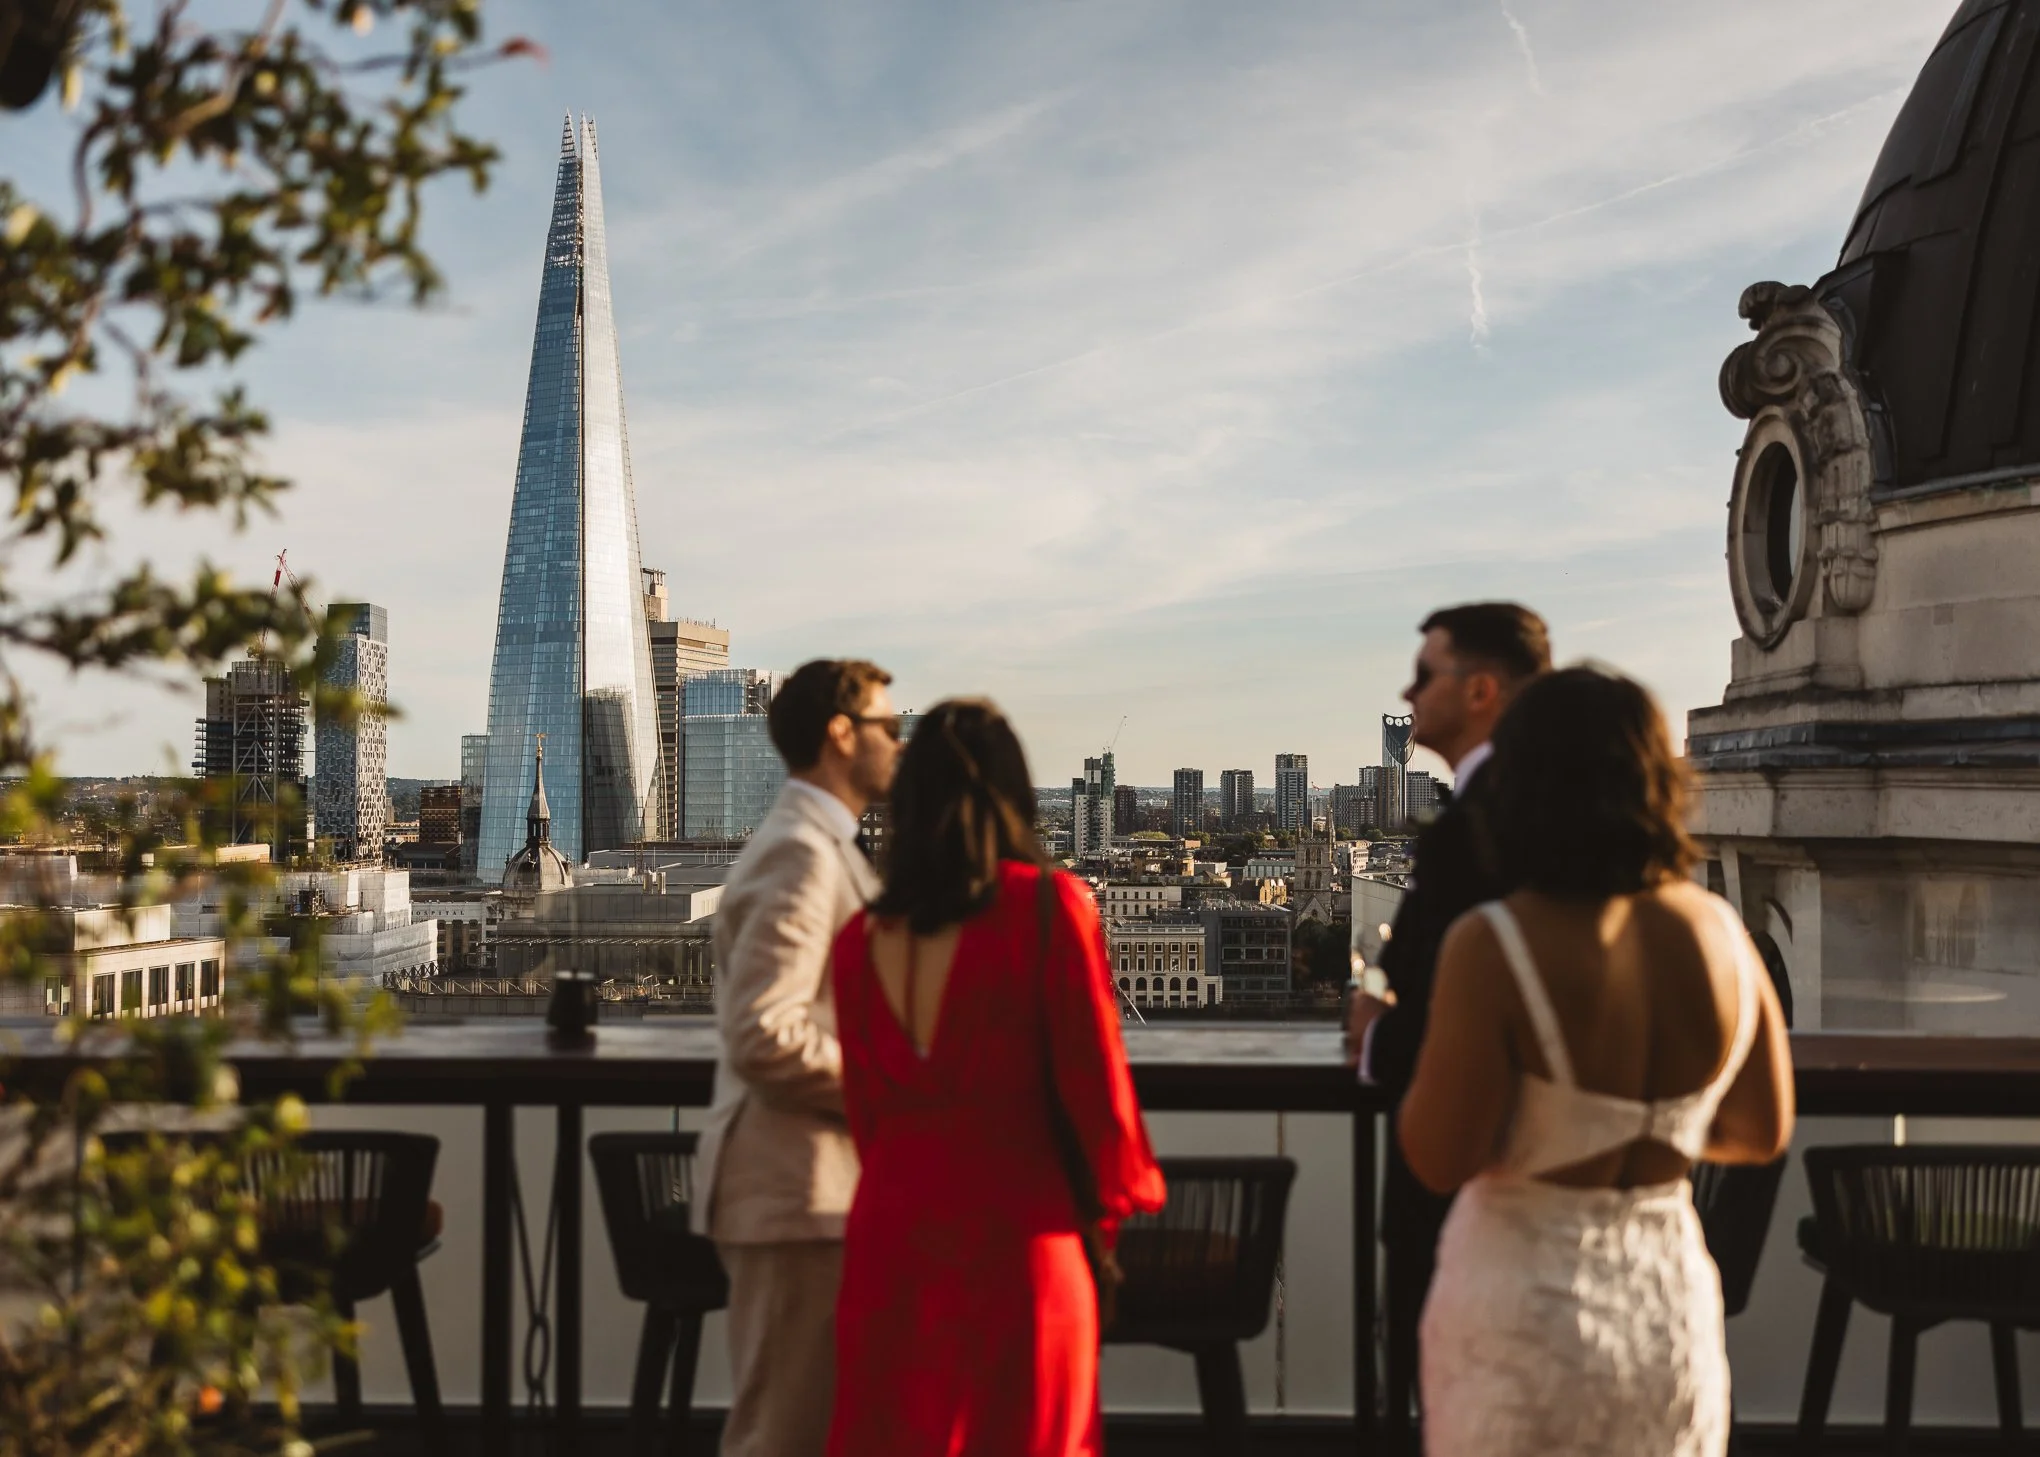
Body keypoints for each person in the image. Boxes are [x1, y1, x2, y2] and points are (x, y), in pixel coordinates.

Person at [1398, 667, 1794, 1456]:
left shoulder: (1496, 942)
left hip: (1526, 1309)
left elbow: (1438, 1156)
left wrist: (1549, 1127)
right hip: (1666, 1303)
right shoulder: (1721, 933)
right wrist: (1643, 1131)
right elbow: (1759, 1130)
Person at [825, 698, 1165, 1457]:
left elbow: (866, 1117)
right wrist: (1100, 1234)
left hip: (890, 1258)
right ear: (1016, 796)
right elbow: (1102, 1107)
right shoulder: (1050, 908)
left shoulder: (857, 942)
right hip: (1023, 1251)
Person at [1345, 601, 1550, 1429]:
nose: (1409, 688)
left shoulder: (1478, 828)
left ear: (1482, 690)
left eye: (1426, 672)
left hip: (1466, 1195)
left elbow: (1444, 1019)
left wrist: (1374, 1032)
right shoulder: (1575, 817)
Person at [696, 659, 903, 1457]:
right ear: (842, 735)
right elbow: (763, 1033)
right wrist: (895, 1082)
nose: (899, 742)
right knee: (787, 1433)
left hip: (812, 1189)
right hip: (793, 1188)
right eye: (889, 726)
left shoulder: (816, 844)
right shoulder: (803, 855)